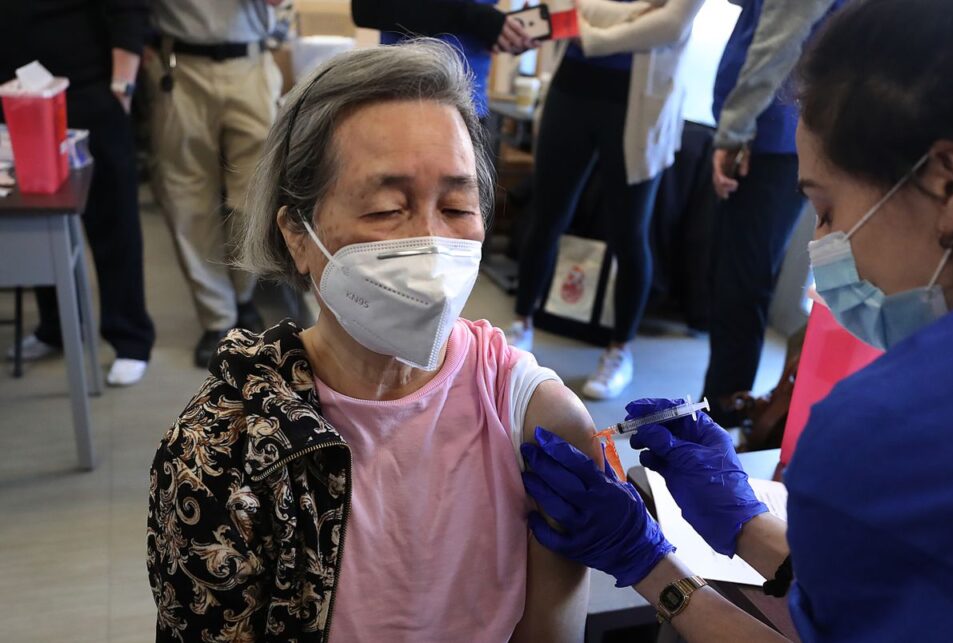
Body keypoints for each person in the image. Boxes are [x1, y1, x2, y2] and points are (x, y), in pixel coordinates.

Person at [519, 0, 953, 639]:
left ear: (949, 186)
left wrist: (649, 567)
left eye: (828, 208)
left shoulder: (890, 432)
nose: (823, 243)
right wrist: (747, 526)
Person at [147, 41, 602, 641]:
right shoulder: (221, 451)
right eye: (388, 209)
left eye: (458, 205)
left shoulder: (538, 426)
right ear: (297, 236)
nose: (431, 242)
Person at [506, 0, 706, 401]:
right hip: (571, 89)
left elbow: (669, 25)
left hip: (639, 106)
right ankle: (521, 325)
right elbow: (562, 6)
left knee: (630, 235)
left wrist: (593, 32)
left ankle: (619, 350)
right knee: (546, 217)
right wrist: (633, 17)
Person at [0, 0, 156, 386]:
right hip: (18, 98)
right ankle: (57, 325)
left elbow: (128, 10)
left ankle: (129, 337)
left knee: (113, 221)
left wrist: (121, 88)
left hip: (90, 92)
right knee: (38, 216)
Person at [702, 0, 843, 423]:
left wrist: (735, 131)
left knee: (742, 285)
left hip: (771, 139)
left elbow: (777, 43)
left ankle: (722, 418)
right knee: (738, 280)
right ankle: (723, 412)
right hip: (772, 134)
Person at [143, 0, 283, 368]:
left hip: (250, 62)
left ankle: (242, 295)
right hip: (178, 66)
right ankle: (217, 317)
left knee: (255, 196)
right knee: (187, 200)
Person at [351, 0, 537, 115]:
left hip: (472, 101)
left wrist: (508, 33)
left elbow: (483, 18)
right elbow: (368, 8)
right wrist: (476, 18)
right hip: (408, 97)